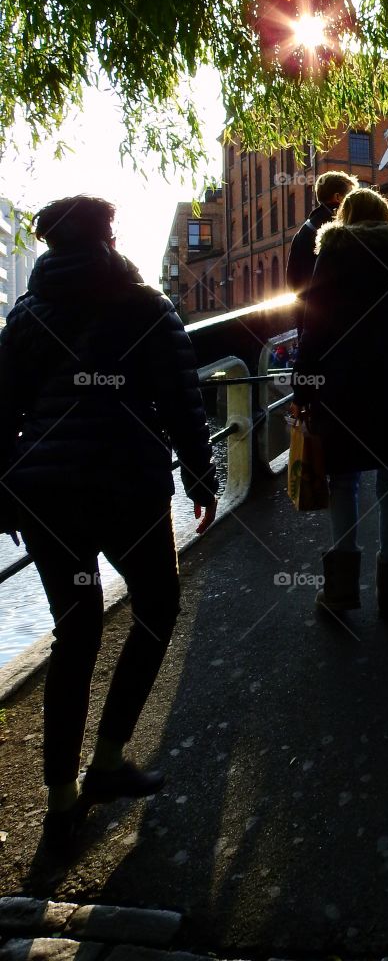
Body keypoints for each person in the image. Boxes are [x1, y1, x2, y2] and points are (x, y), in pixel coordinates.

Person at [0, 196, 217, 853]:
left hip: (49, 495)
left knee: (76, 630)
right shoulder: (142, 305)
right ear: (109, 237)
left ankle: (60, 803)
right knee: (156, 607)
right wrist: (200, 475)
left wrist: (6, 494)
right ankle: (110, 759)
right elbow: (181, 397)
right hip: (125, 487)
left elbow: (3, 411)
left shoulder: (27, 315)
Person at [291, 188, 388, 622]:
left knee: (344, 482)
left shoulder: (332, 255)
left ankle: (340, 591)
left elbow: (315, 326)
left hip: (344, 385)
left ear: (345, 217)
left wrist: (303, 386)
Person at [285, 169, 358, 325]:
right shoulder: (345, 228)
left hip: (308, 322)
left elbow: (292, 281)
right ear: (338, 197)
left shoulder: (302, 232)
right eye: (350, 196)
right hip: (338, 322)